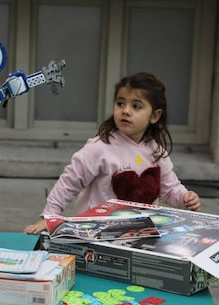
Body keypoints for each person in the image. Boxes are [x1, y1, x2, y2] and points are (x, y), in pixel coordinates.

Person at [24, 72, 201, 234]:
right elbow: (69, 183)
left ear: (155, 116)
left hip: (142, 232)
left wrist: (185, 197)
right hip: (97, 231)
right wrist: (49, 217)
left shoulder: (156, 152)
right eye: (120, 103)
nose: (125, 110)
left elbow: (169, 189)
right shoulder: (99, 148)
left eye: (136, 106)